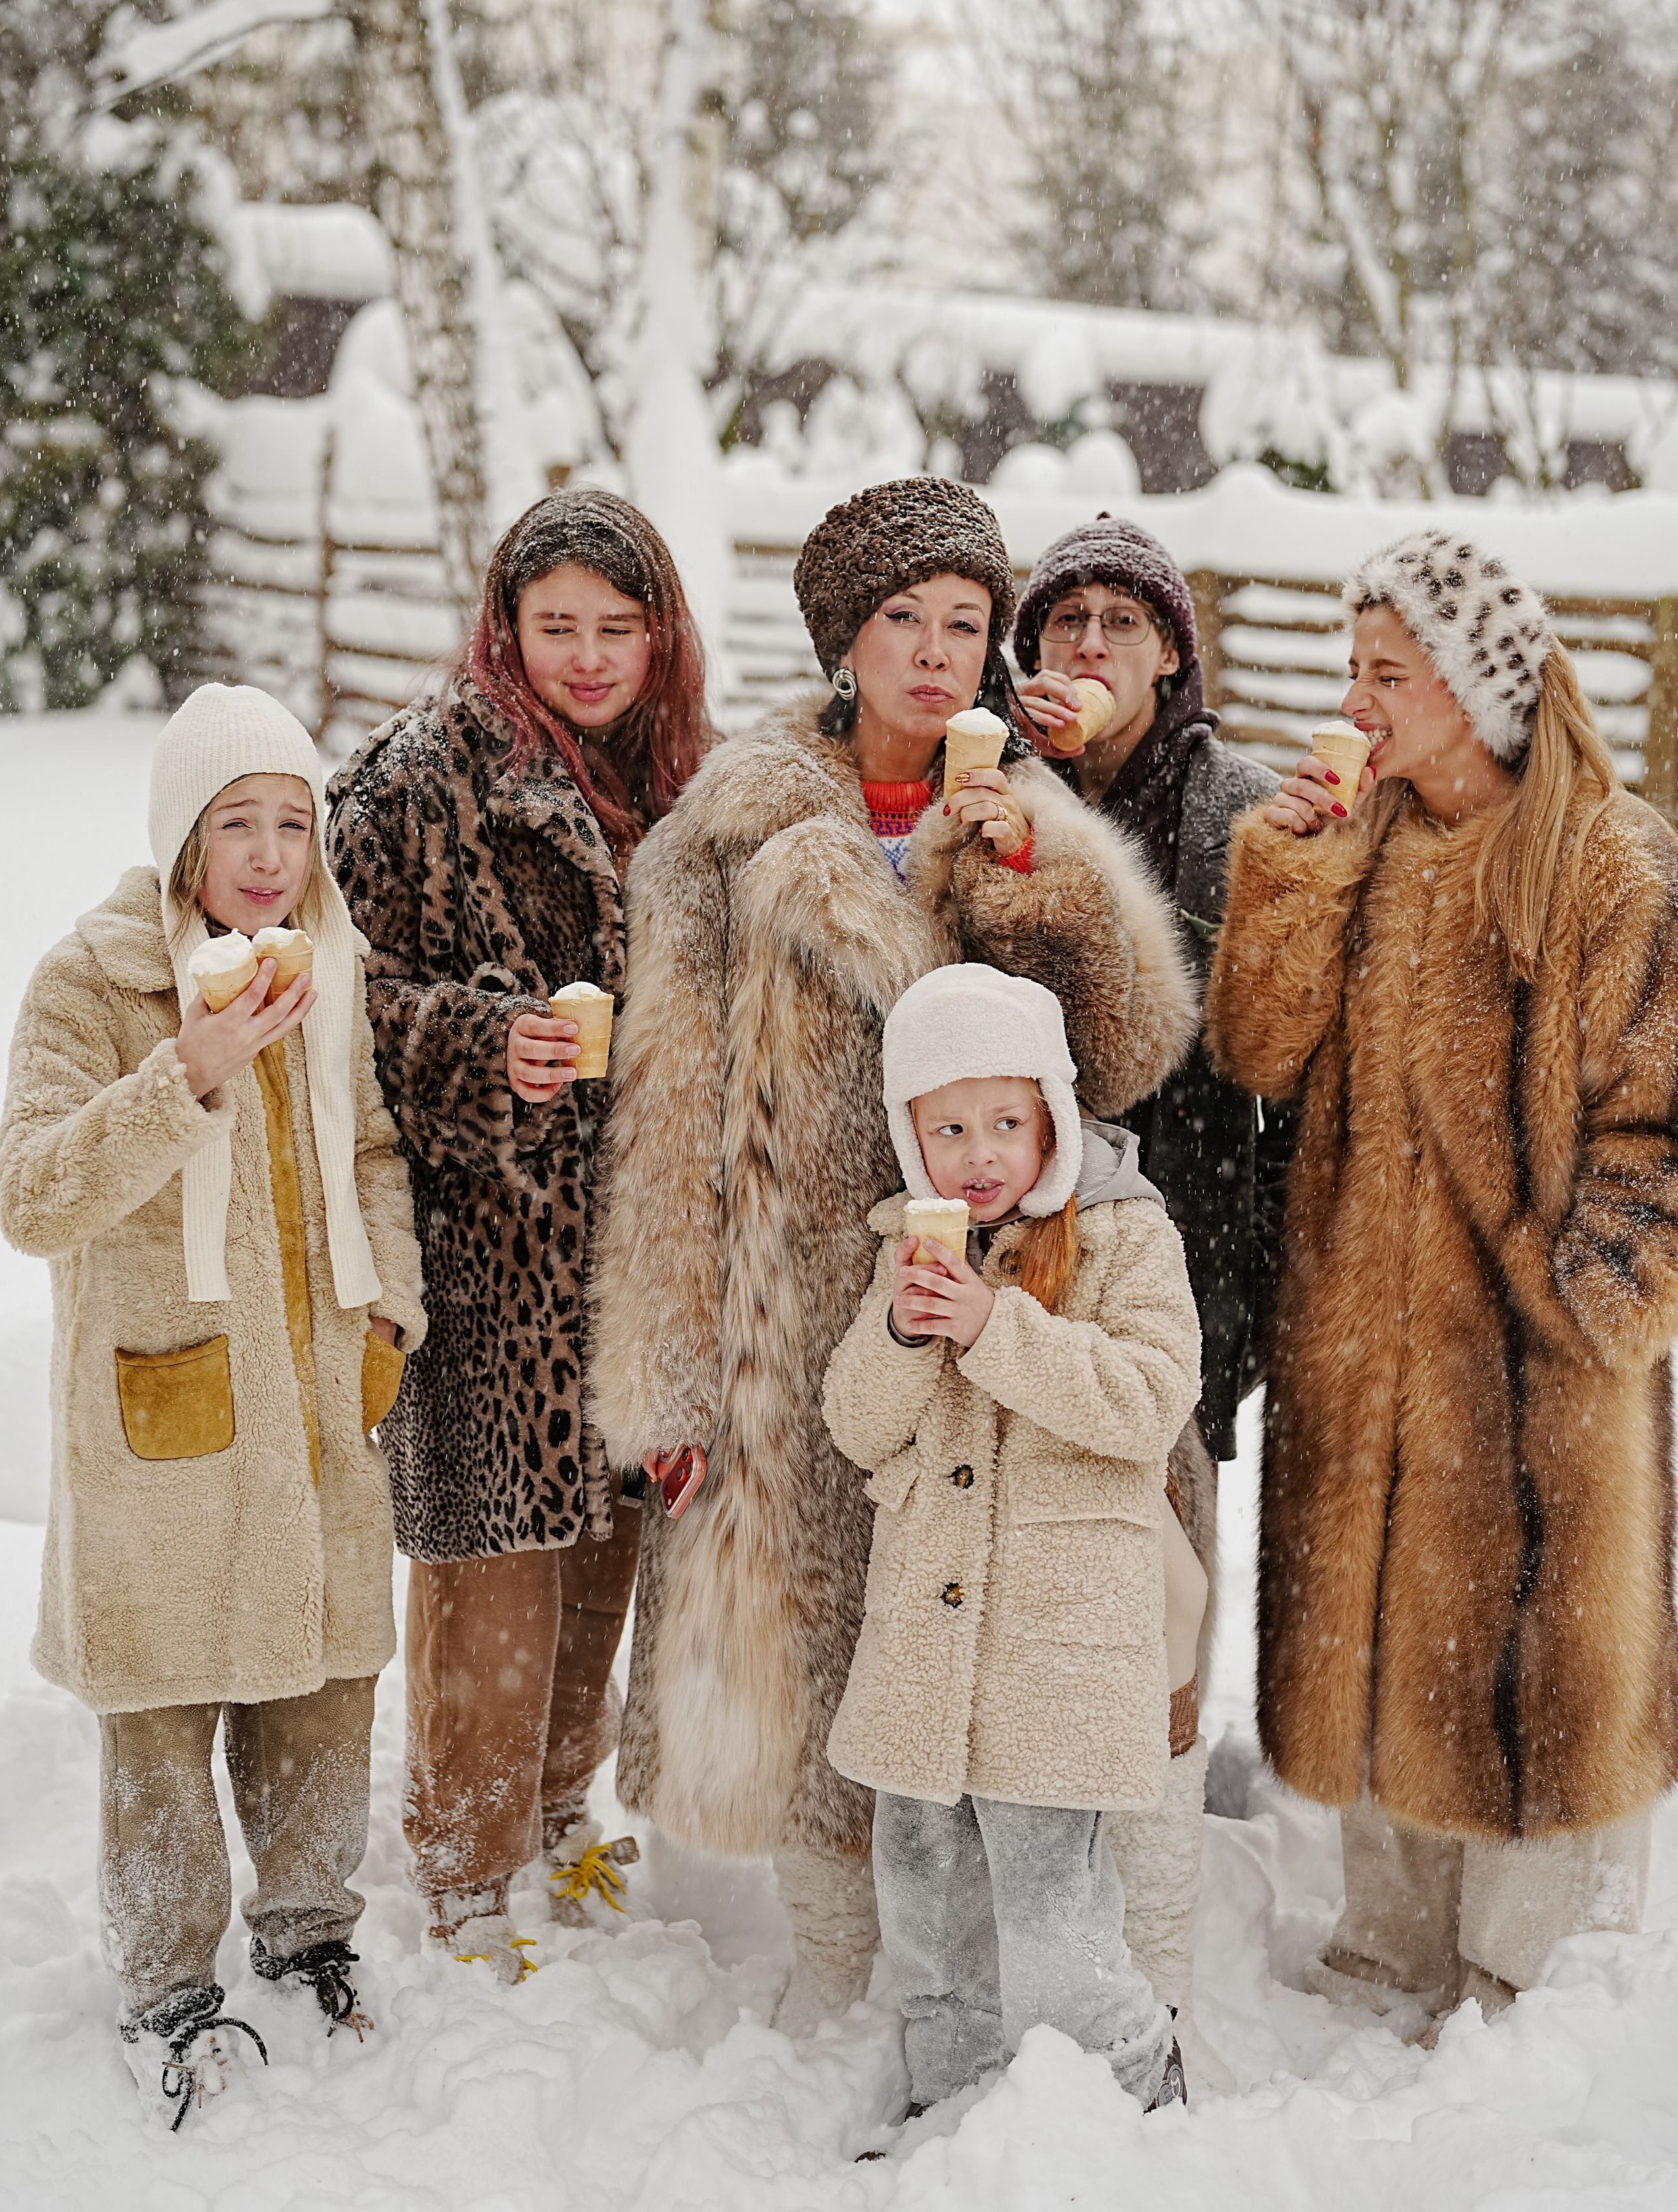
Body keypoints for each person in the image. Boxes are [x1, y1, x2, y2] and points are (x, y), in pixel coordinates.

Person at [586, 476, 1197, 2030]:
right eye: (901, 620)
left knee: (967, 1664)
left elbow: (1123, 1058)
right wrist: (668, 1380)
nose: (935, 653)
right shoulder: (721, 835)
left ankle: (979, 1989)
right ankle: (841, 1983)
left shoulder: (1027, 816)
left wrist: (1033, 892)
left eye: (964, 623)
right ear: (841, 642)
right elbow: (663, 1125)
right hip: (788, 1317)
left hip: (987, 1306)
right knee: (803, 1664)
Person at [1204, 529, 1678, 2025]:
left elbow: (1658, 1117)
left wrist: (1587, 1301)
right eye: (1351, 669)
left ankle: (1535, 1986)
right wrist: (1290, 873)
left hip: (1536, 1359)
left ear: (1476, 687)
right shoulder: (1362, 843)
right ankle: (1390, 1946)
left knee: (1538, 1662)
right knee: (1376, 1643)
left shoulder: (1605, 860)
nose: (1354, 701)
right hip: (1359, 1347)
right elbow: (1256, 1050)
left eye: (1387, 674)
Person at [0, 684, 424, 2127]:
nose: (270, 855)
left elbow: (372, 1153)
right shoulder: (94, 980)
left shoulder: (330, 970)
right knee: (163, 1718)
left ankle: (309, 1934)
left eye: (294, 824)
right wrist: (189, 1069)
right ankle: (169, 1984)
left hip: (319, 1398)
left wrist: (391, 1314)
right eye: (239, 823)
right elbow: (31, 1194)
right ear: (183, 835)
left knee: (324, 1690)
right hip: (163, 1416)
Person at [327, 489, 713, 1981]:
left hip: (633, 1244)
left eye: (618, 628)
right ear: (506, 626)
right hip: (486, 1248)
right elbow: (343, 995)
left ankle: (558, 1813)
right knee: (490, 1571)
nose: (589, 657)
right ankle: (465, 1870)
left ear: (661, 636)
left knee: (601, 1557)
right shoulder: (416, 779)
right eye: (557, 627)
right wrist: (482, 1045)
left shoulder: (684, 785)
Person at [823, 964, 1200, 2128]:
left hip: (1056, 1656)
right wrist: (902, 1333)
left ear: (1052, 1121)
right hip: (926, 1660)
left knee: (1052, 1922)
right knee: (928, 1914)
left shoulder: (1126, 1236)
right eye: (948, 1129)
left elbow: (1150, 1398)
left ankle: (1140, 2089)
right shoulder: (908, 1250)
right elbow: (858, 1425)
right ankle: (951, 2106)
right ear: (910, 1135)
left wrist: (997, 1328)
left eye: (1005, 1123)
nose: (979, 1155)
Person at [1012, 516, 1291, 2008]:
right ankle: (1033, 1846)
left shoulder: (1235, 808)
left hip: (1189, 1230)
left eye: (1123, 623)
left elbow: (1268, 1052)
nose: (1090, 647)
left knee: (1171, 1547)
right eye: (1065, 622)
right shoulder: (996, 785)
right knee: (1032, 1541)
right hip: (1017, 1220)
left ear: (1172, 652)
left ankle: (1161, 1887)